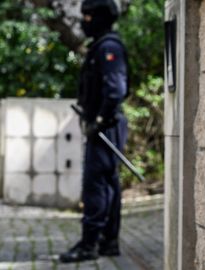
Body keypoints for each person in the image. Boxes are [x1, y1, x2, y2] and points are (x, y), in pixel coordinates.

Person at [60, 0, 129, 263]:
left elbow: (116, 90)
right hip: (106, 125)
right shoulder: (102, 46)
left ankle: (90, 244)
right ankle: (108, 242)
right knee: (108, 184)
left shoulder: (108, 47)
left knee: (96, 185)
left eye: (88, 17)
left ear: (100, 17)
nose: (84, 22)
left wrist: (98, 120)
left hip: (106, 127)